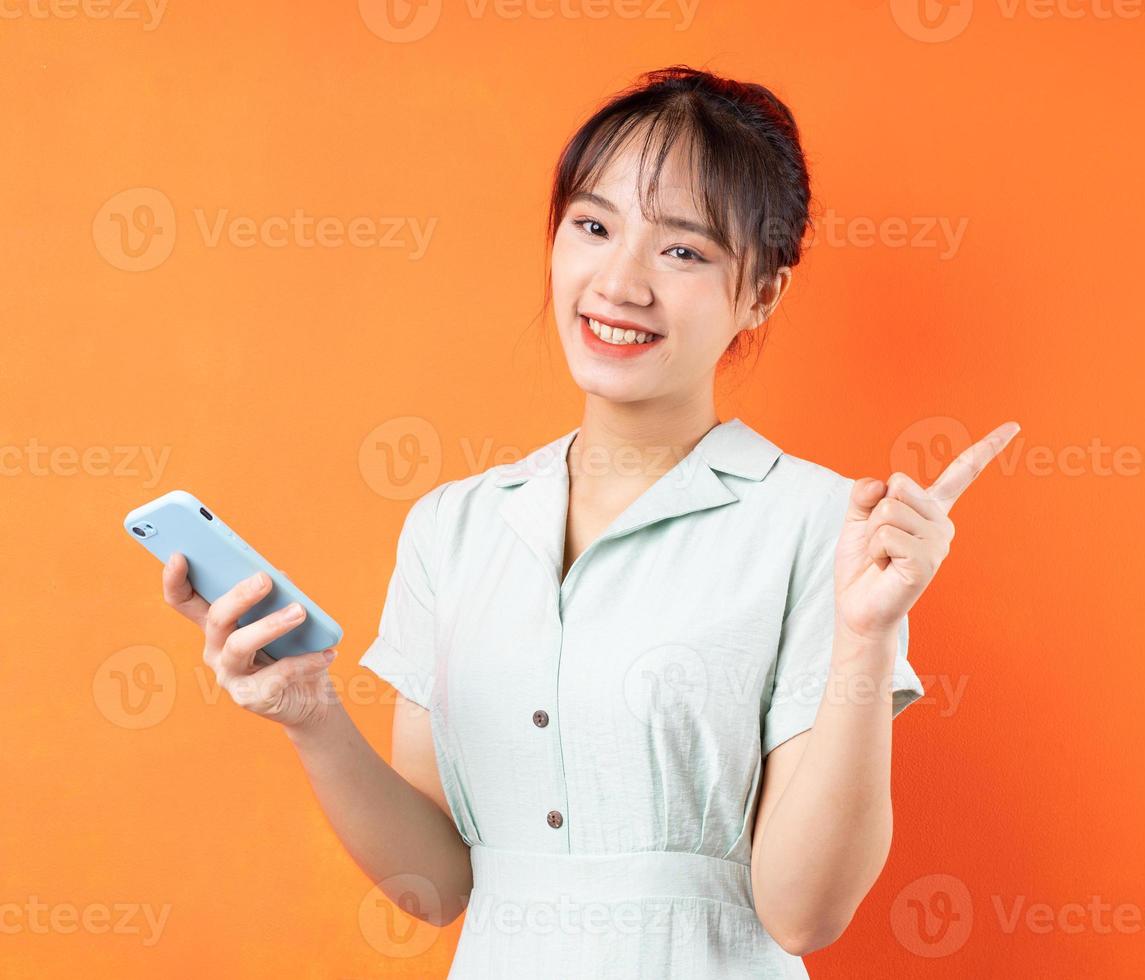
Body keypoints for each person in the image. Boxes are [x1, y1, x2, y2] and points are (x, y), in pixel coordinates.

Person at [160, 65, 1018, 978]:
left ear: (761, 294)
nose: (620, 281)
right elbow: (438, 887)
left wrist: (867, 641)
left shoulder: (826, 530)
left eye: (682, 251)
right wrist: (310, 715)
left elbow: (804, 914)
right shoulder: (452, 528)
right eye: (594, 226)